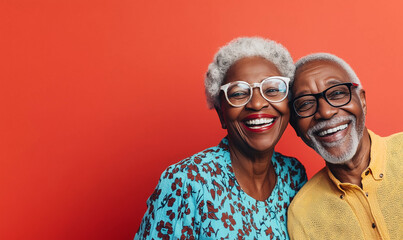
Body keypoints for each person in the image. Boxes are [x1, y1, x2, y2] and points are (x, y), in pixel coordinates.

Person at [134, 37, 307, 239]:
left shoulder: (293, 175)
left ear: (288, 104)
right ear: (221, 113)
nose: (257, 104)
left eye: (272, 90)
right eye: (239, 93)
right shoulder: (186, 181)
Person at [287, 53, 403, 240]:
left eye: (337, 93)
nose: (325, 112)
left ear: (362, 101)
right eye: (306, 104)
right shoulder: (302, 215)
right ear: (294, 125)